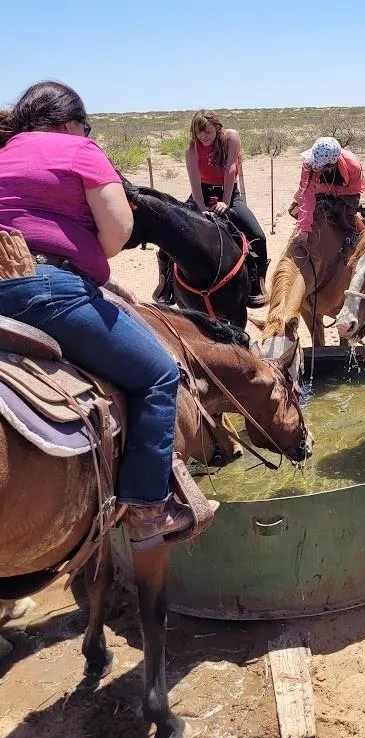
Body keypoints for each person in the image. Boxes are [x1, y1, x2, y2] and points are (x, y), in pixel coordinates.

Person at [0, 81, 215, 547]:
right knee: (158, 374)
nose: (85, 132)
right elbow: (119, 230)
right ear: (68, 123)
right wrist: (80, 261)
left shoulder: (3, 153)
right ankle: (146, 508)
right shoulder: (81, 150)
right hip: (49, 294)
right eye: (85, 125)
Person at [153, 110, 269, 308]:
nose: (203, 136)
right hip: (201, 195)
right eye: (199, 132)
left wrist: (225, 201)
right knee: (171, 232)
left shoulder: (230, 137)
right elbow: (195, 183)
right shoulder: (192, 150)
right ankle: (166, 284)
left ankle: (256, 284)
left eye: (207, 131)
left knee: (257, 235)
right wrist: (200, 208)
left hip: (229, 193)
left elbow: (230, 169)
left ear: (217, 127)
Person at [293, 137, 365, 244]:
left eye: (318, 164)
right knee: (296, 209)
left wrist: (326, 189)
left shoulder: (353, 165)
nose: (314, 166)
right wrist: (304, 229)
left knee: (362, 214)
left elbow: (353, 189)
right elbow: (306, 194)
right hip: (319, 191)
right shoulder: (308, 163)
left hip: (350, 193)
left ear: (330, 165)